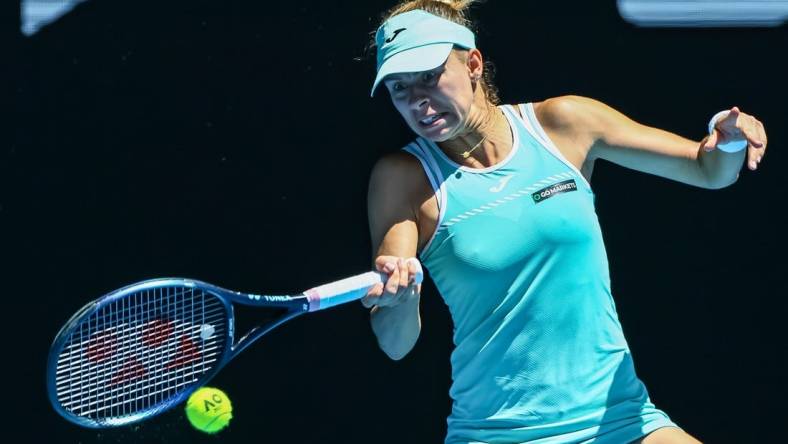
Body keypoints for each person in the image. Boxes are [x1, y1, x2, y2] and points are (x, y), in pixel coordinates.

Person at [359, 1, 768, 443]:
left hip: (623, 420)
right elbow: (394, 343)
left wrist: (726, 140)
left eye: (430, 76)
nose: (418, 99)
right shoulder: (402, 178)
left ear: (473, 64)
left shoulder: (563, 124)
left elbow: (706, 169)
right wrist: (401, 298)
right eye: (399, 87)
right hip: (498, 434)